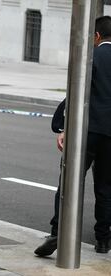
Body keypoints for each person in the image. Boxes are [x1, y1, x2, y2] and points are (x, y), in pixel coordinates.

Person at [35, 16, 111, 257]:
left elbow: (77, 92)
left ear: (96, 36)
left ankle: (58, 231)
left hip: (86, 132)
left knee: (70, 182)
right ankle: (102, 240)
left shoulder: (92, 57)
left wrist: (62, 127)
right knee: (106, 187)